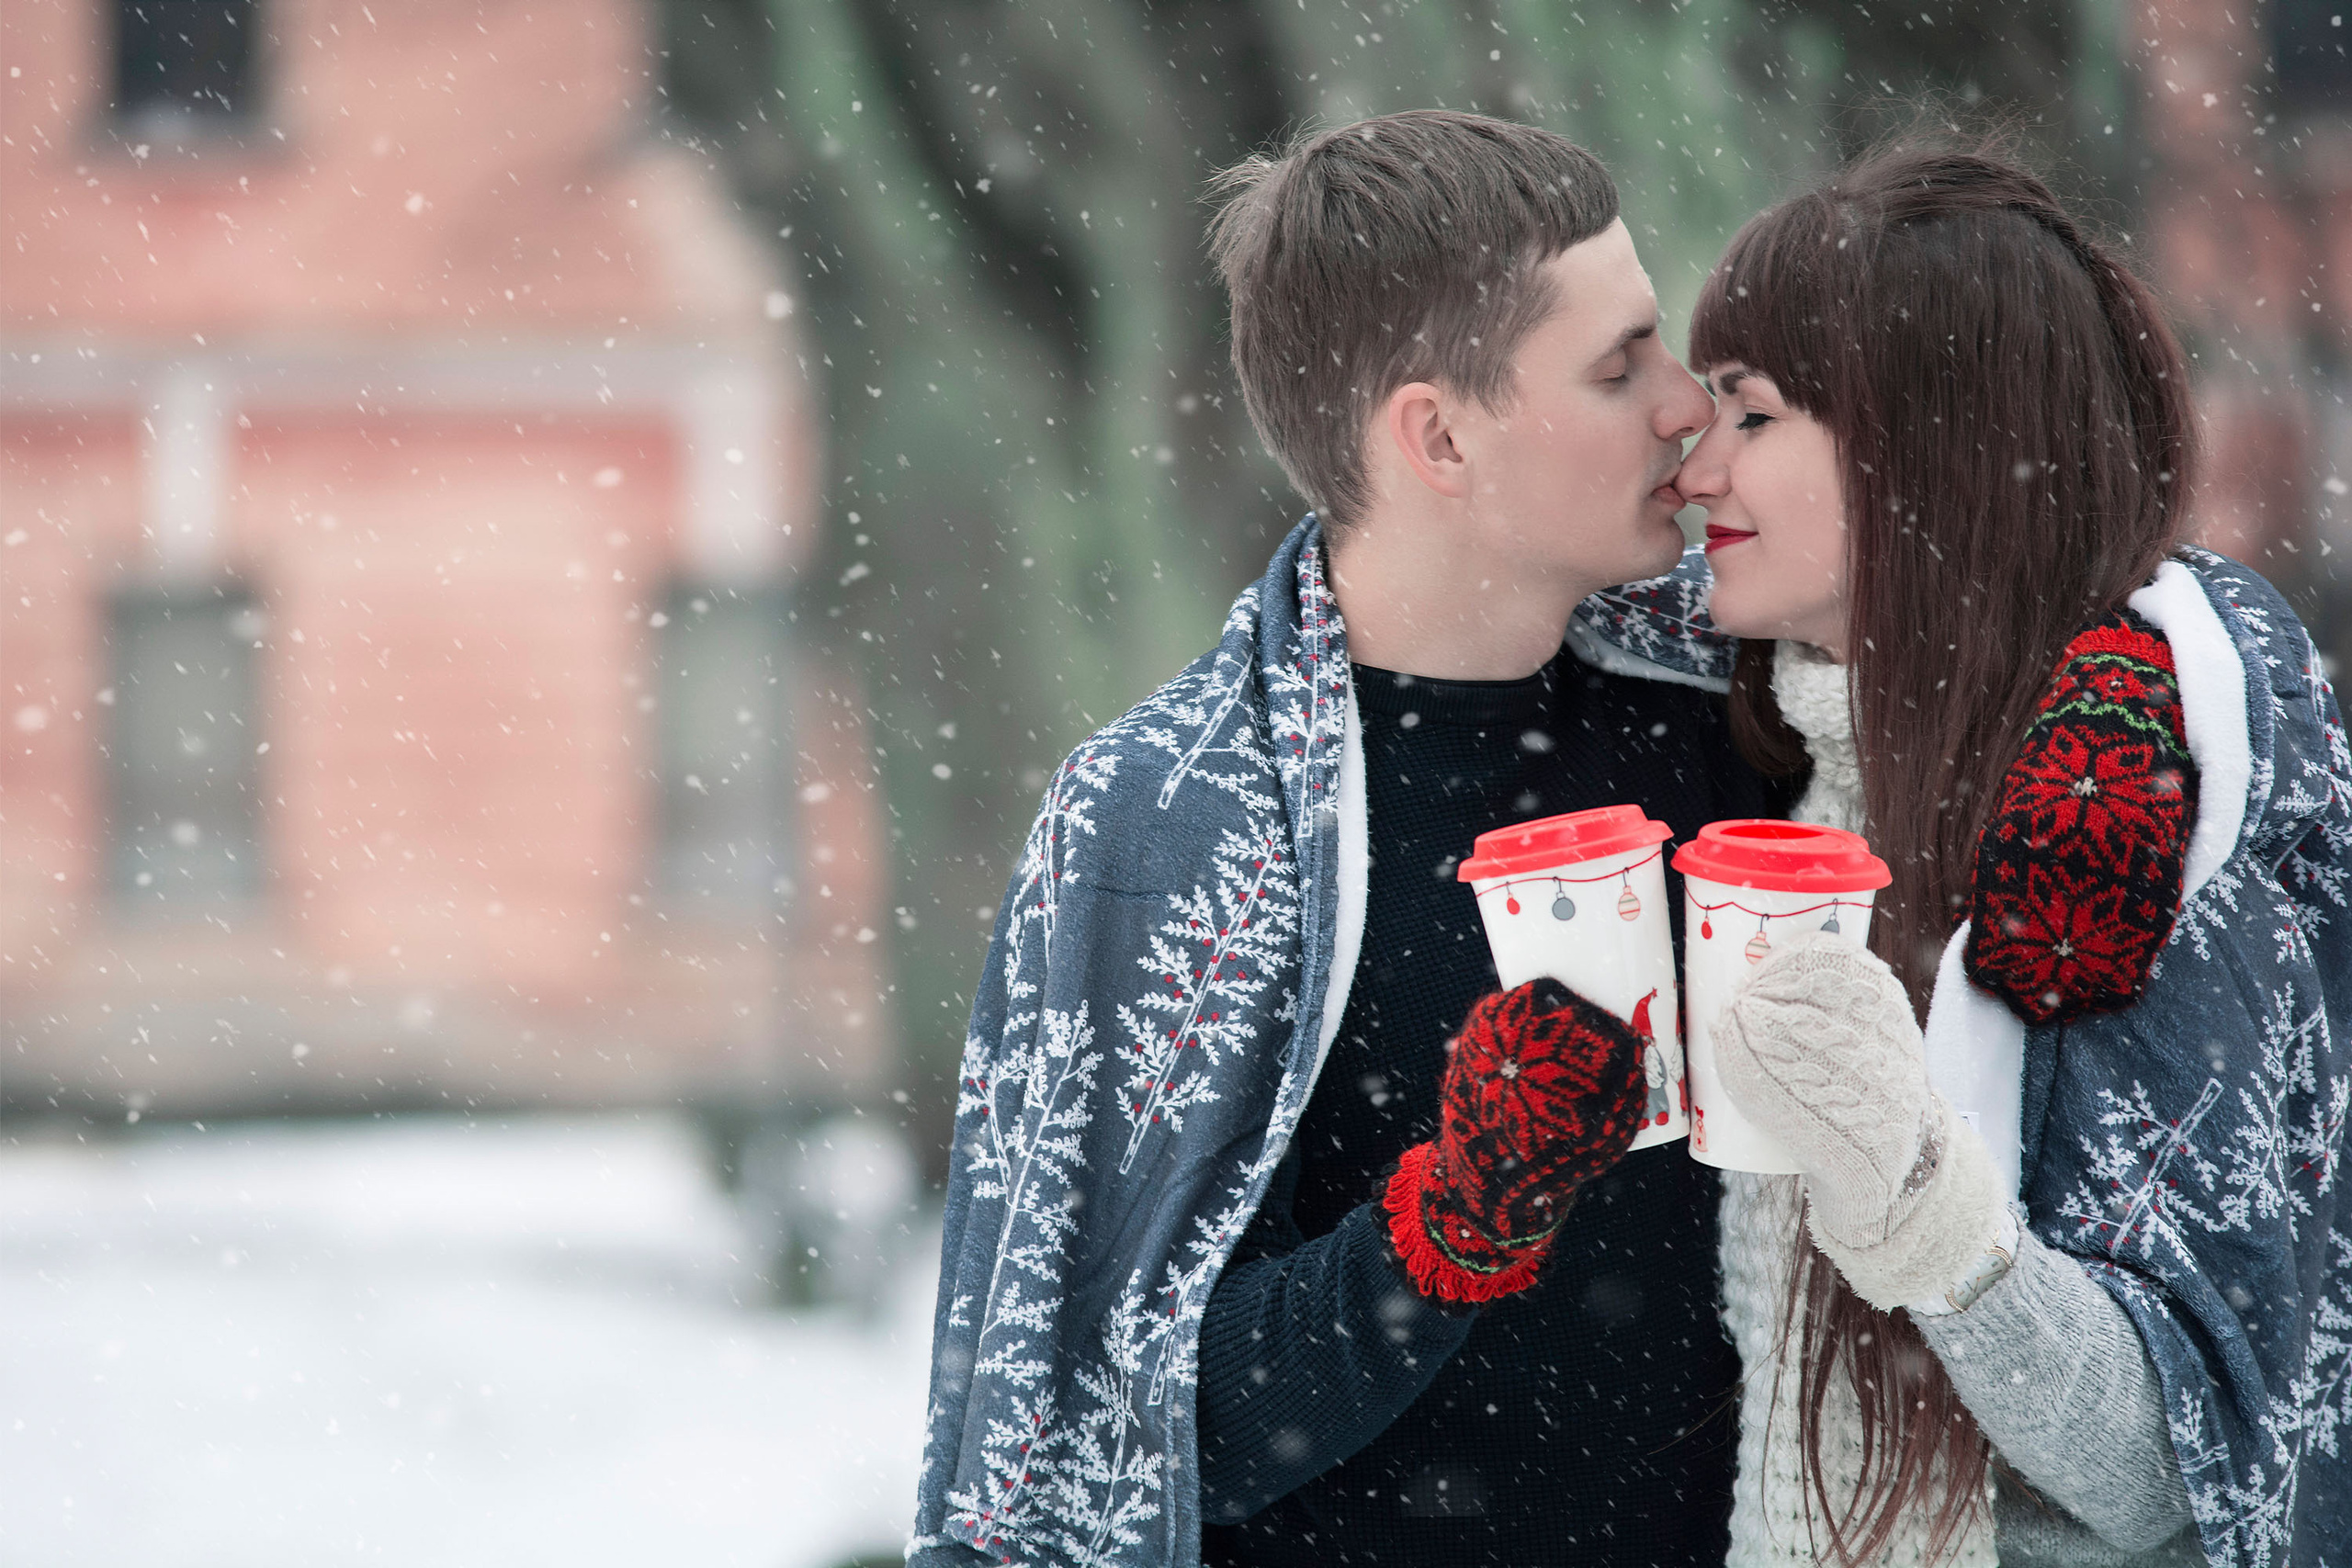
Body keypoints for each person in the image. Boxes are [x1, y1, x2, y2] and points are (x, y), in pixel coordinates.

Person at [909, 110, 1786, 1568]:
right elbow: (1107, 1450)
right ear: (1438, 435)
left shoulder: (1755, 704)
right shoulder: (1163, 826)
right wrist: (1442, 1234)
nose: (1687, 404)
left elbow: (2049, 588)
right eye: (1618, 364)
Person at [1672, 141, 2352, 1567]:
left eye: (1751, 413)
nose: (1699, 465)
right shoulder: (1781, 754)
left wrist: (1932, 1218)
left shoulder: (2123, 829)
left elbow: (2180, 1467)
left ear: (1919, 449)